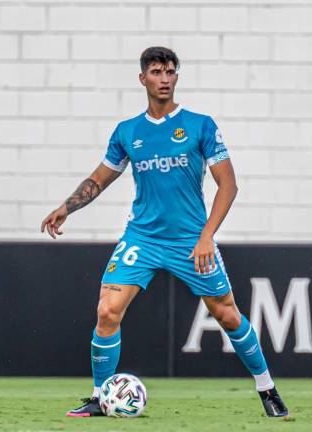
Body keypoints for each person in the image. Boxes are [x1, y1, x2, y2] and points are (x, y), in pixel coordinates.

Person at [40, 46, 288, 418]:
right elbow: (100, 178)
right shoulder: (128, 132)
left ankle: (267, 389)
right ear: (143, 78)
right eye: (156, 72)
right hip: (142, 238)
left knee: (226, 314)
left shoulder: (200, 125)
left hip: (191, 240)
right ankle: (99, 396)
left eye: (171, 72)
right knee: (107, 311)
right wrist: (67, 206)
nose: (165, 79)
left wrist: (206, 237)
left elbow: (229, 186)